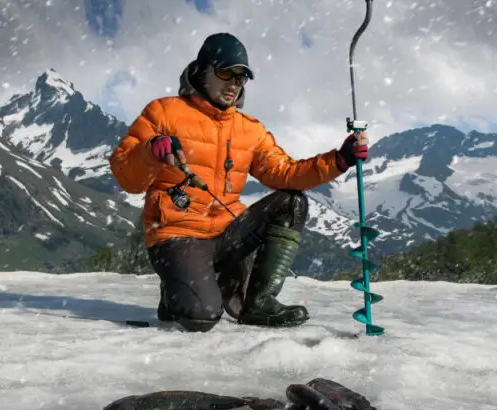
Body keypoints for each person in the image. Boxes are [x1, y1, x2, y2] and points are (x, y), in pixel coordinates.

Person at [109, 32, 369, 332]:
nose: (234, 83)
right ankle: (176, 294)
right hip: (176, 234)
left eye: (242, 77)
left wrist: (339, 159)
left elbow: (285, 173)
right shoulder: (163, 112)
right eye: (226, 73)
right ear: (203, 70)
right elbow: (125, 174)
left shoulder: (250, 130)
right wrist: (150, 150)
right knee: (200, 318)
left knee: (291, 202)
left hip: (227, 233)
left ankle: (258, 304)